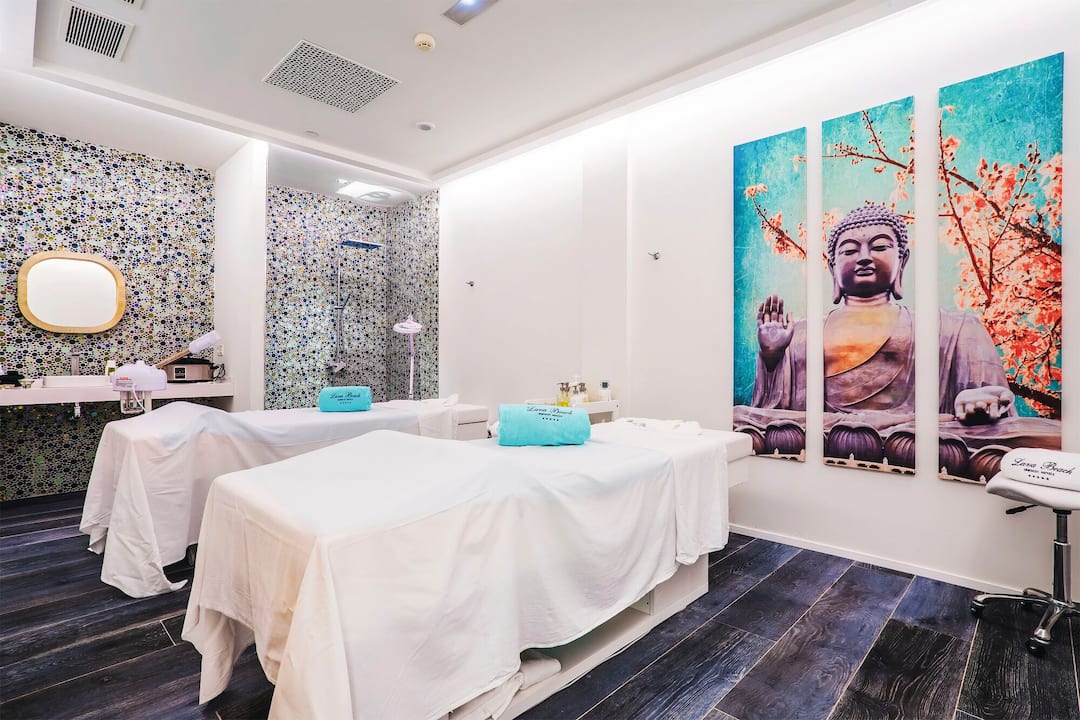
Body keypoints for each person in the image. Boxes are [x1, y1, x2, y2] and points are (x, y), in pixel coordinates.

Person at [752, 204, 1015, 425]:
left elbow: (996, 406)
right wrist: (772, 359)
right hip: (825, 436)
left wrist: (976, 401)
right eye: (849, 251)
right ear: (832, 268)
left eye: (879, 247)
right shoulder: (799, 332)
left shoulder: (954, 329)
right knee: (741, 417)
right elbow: (771, 414)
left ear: (902, 260)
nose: (864, 257)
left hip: (915, 440)